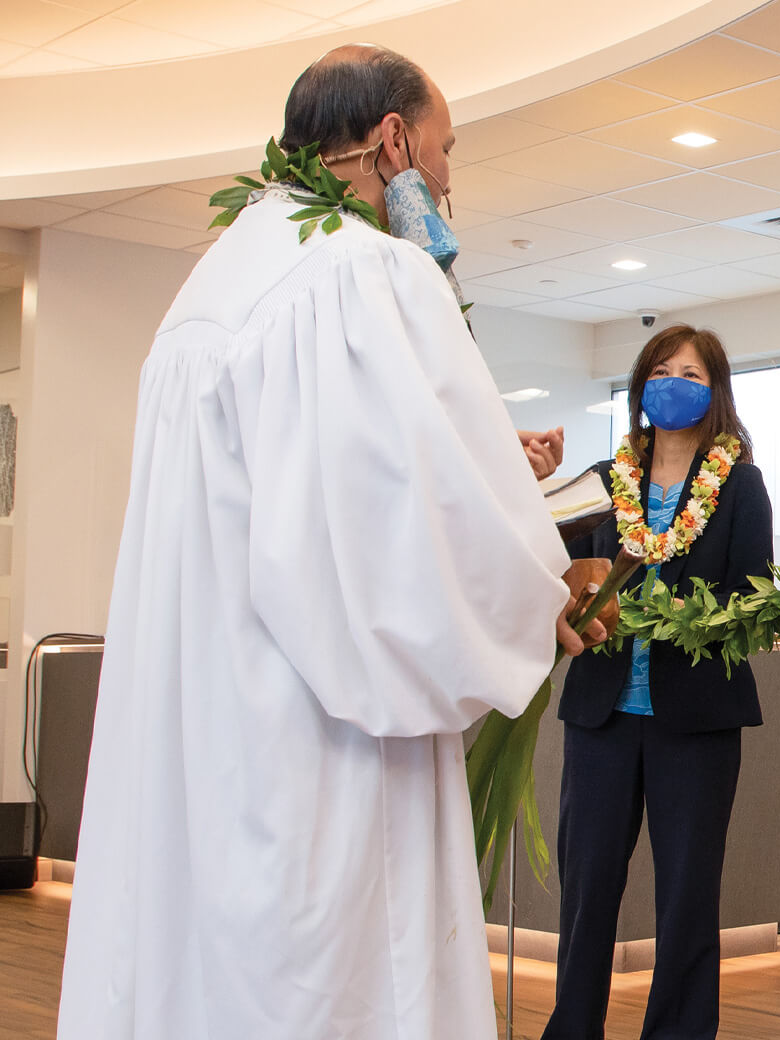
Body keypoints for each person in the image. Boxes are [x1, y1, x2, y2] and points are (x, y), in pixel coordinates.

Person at [58, 45, 618, 1040]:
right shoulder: (362, 271)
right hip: (318, 747)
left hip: (202, 732)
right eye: (445, 151)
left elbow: (336, 495)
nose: (448, 181)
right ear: (392, 140)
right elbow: (404, 535)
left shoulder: (207, 286)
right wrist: (544, 593)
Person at [544, 325, 774, 1040]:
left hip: (696, 721)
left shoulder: (739, 484)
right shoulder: (601, 481)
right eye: (663, 369)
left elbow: (755, 603)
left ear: (716, 392)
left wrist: (686, 618)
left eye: (692, 372)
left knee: (686, 897)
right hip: (601, 715)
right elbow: (550, 568)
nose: (675, 381)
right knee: (586, 893)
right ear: (643, 386)